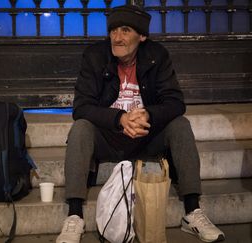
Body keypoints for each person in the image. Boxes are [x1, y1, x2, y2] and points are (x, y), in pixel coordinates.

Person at [56, 5, 225, 243]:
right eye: (113, 30)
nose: (117, 37)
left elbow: (176, 103)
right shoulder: (95, 55)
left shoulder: (157, 55)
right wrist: (119, 119)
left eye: (125, 30)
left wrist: (148, 115)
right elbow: (81, 107)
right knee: (81, 128)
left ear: (142, 36)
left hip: (146, 136)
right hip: (109, 137)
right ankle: (74, 216)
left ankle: (192, 212)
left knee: (180, 125)